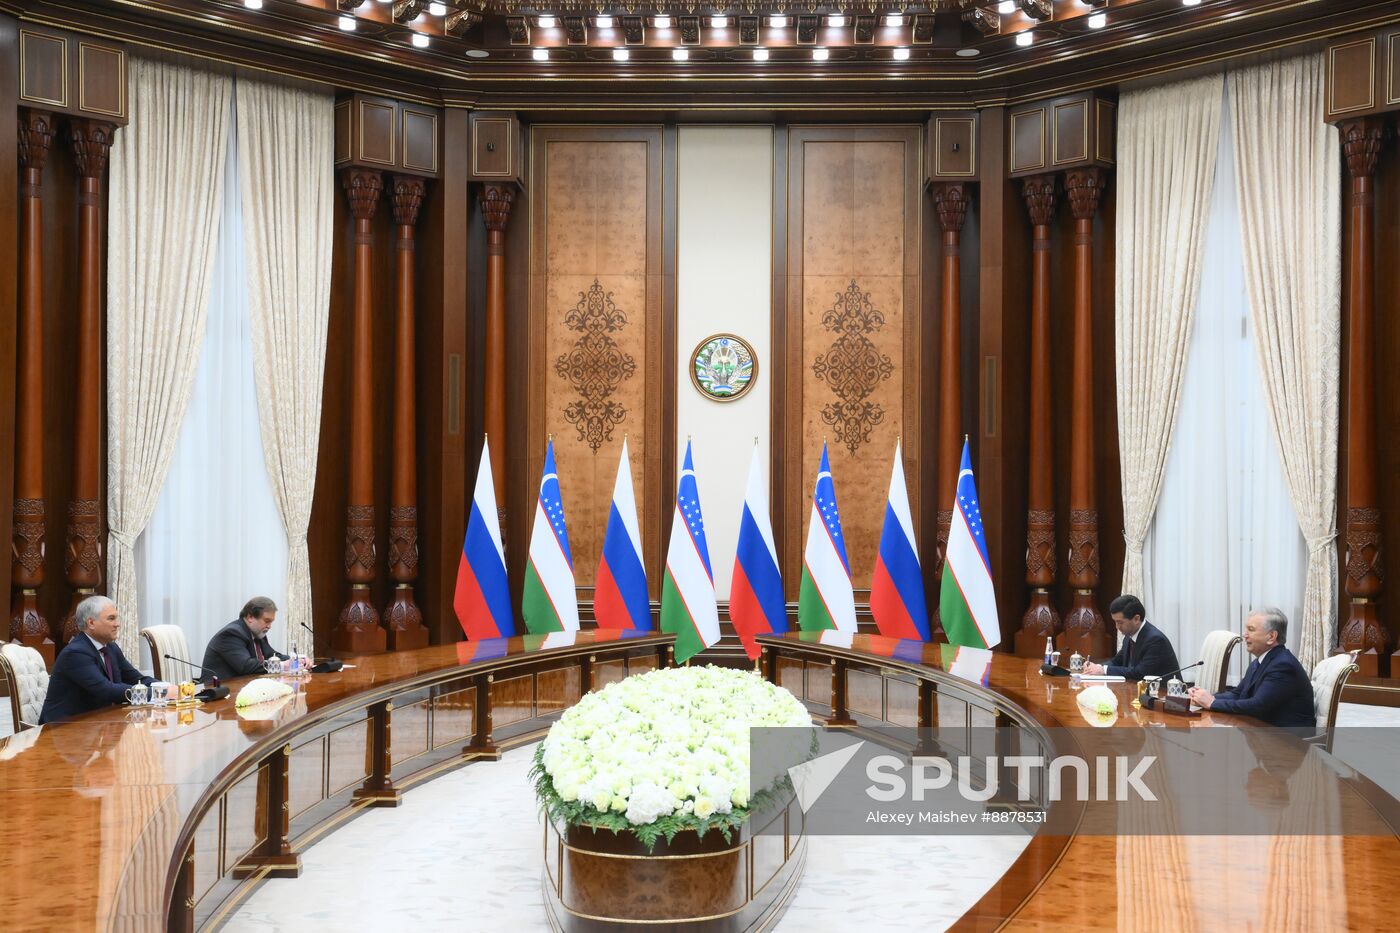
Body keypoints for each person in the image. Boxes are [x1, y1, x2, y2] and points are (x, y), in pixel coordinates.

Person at [1188, 607, 1314, 727]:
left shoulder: (1283, 665)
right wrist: (1202, 697)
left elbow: (1258, 705)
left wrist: (1212, 703)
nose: (1245, 635)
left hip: (1290, 742)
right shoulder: (1261, 661)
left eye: (1251, 629)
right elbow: (1237, 694)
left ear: (1271, 637)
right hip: (1263, 735)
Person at [39, 596, 154, 725]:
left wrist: (165, 687)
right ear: (91, 623)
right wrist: (156, 693)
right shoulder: (76, 653)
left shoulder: (111, 648)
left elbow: (136, 679)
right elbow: (106, 690)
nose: (118, 624)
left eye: (117, 618)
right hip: (63, 730)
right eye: (111, 618)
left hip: (98, 726)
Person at [1082, 594, 1180, 682]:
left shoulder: (1155, 640)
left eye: (1120, 622)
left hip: (1164, 695)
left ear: (1136, 619)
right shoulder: (1129, 635)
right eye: (1115, 622)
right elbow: (1117, 661)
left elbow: (1139, 673)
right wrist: (1096, 667)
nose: (1117, 627)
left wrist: (1103, 670)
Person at [201, 597, 290, 683]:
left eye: (271, 622)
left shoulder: (258, 634)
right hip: (219, 692)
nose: (269, 626)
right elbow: (246, 666)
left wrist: (295, 660)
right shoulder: (232, 633)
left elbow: (272, 656)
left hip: (244, 688)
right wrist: (281, 665)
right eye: (267, 621)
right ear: (250, 617)